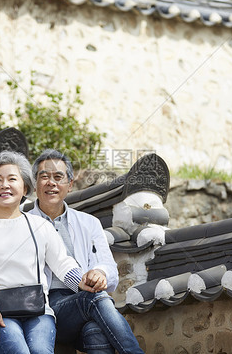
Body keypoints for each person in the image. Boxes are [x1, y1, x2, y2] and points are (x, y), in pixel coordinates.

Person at [0, 150, 97, 354]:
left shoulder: (39, 225)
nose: (4, 185)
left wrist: (81, 282)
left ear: (25, 187)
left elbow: (62, 263)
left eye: (12, 179)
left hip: (38, 312)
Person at [29, 149, 144, 354]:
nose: (51, 183)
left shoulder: (89, 223)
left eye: (58, 177)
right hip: (44, 307)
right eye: (44, 176)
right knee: (95, 298)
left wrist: (99, 274)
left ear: (70, 184)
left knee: (95, 331)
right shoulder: (23, 222)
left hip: (83, 306)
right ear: (35, 183)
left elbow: (109, 268)